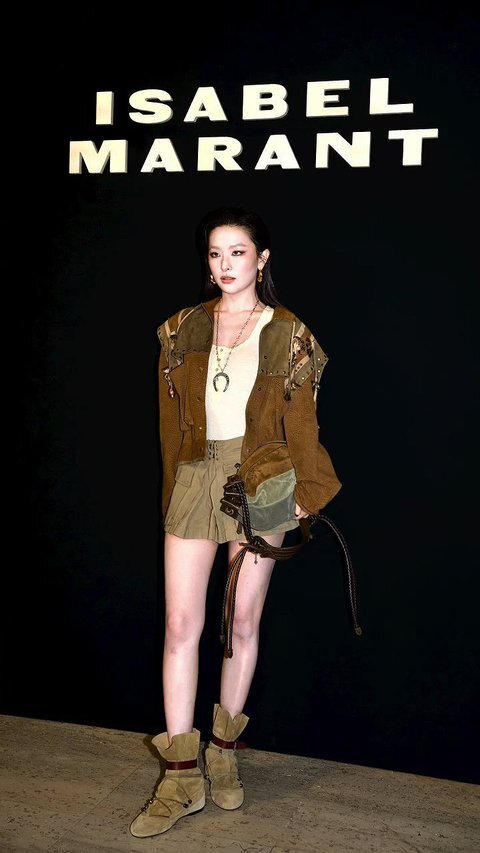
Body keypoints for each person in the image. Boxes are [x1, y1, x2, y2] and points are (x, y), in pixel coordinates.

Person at [129, 205, 342, 838]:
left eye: (238, 252)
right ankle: (180, 775)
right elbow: (169, 426)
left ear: (262, 258)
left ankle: (222, 753)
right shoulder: (181, 328)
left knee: (241, 621)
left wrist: (308, 490)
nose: (224, 265)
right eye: (215, 253)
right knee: (181, 624)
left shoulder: (289, 333)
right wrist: (175, 489)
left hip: (266, 476)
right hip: (196, 475)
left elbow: (303, 421)